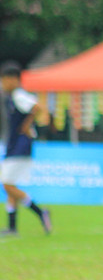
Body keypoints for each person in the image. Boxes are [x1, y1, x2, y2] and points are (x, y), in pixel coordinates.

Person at [0, 61, 51, 236]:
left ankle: (40, 212)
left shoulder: (19, 95)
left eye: (4, 79)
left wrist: (27, 125)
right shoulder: (11, 96)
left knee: (7, 185)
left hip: (20, 146)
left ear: (13, 79)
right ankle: (12, 227)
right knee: (10, 185)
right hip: (14, 145)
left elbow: (37, 107)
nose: (3, 83)